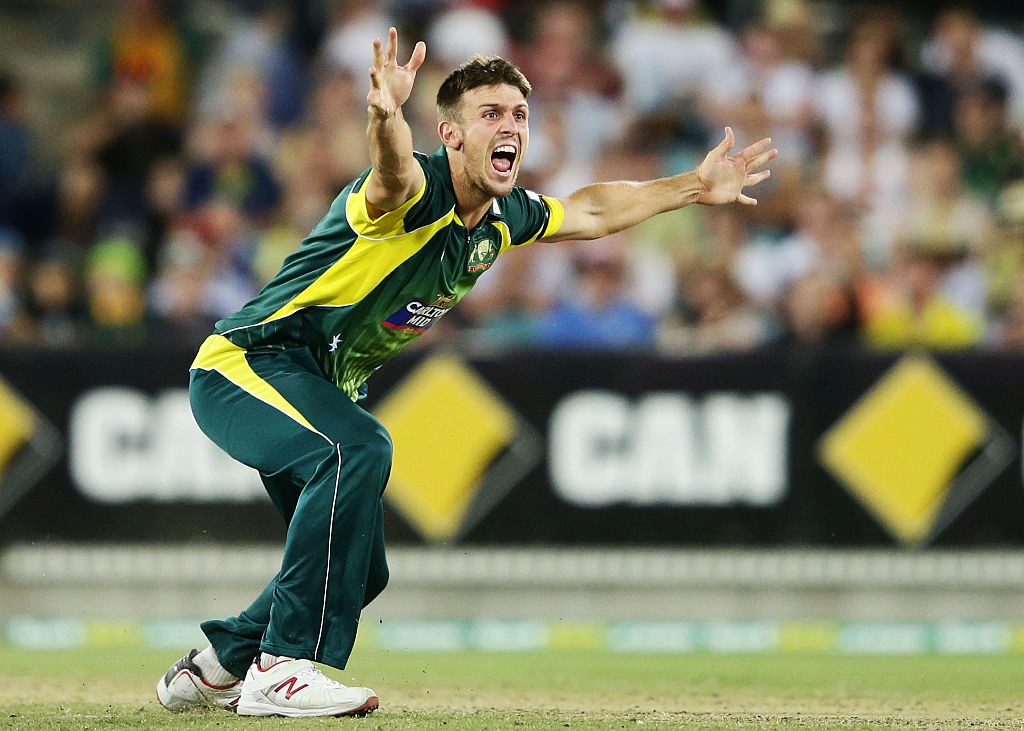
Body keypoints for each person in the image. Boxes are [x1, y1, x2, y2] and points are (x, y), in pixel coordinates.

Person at [156, 27, 775, 718]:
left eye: (519, 115)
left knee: (360, 569)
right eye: (490, 114)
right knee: (357, 447)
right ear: (449, 133)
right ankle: (281, 668)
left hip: (314, 388)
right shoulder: (412, 193)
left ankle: (218, 665)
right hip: (248, 364)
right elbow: (391, 172)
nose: (510, 126)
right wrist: (384, 114)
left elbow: (593, 210)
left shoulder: (502, 219)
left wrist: (693, 185)